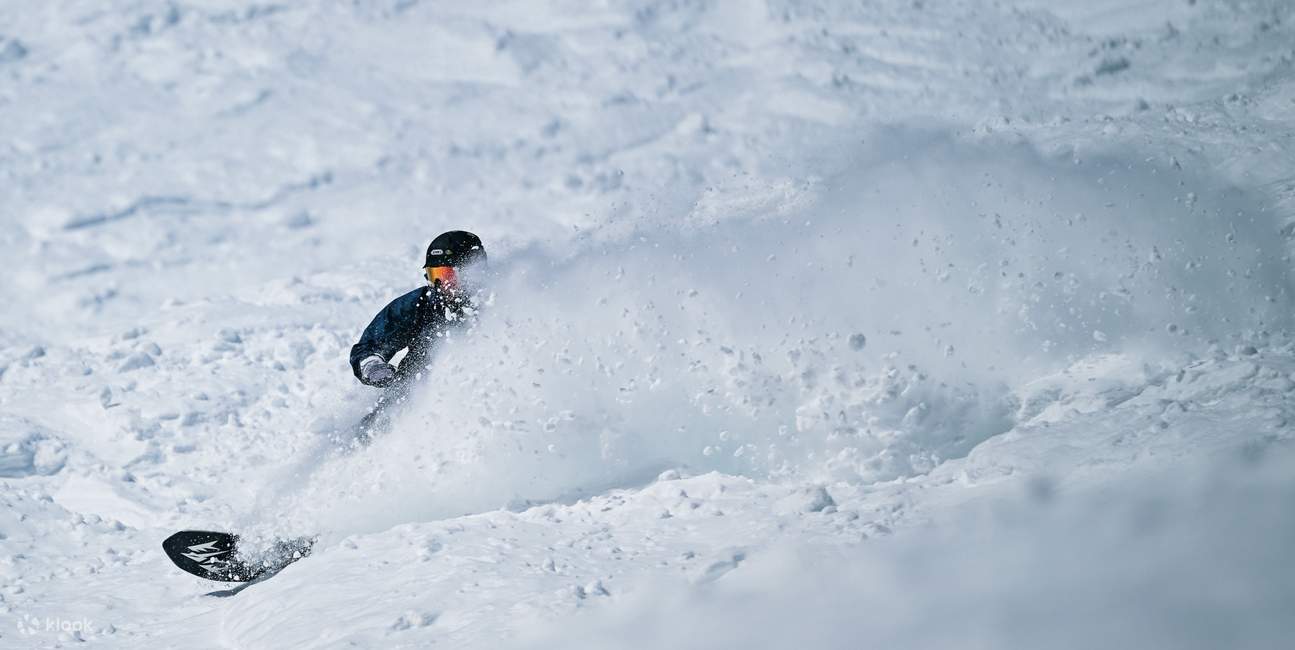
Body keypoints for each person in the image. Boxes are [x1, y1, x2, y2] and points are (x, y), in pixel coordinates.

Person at [349, 230, 486, 434]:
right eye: (434, 276)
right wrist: (373, 366)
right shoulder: (421, 304)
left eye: (446, 275)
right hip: (408, 398)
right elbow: (371, 344)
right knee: (368, 432)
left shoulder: (498, 305)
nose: (439, 285)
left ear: (470, 273)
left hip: (475, 407)